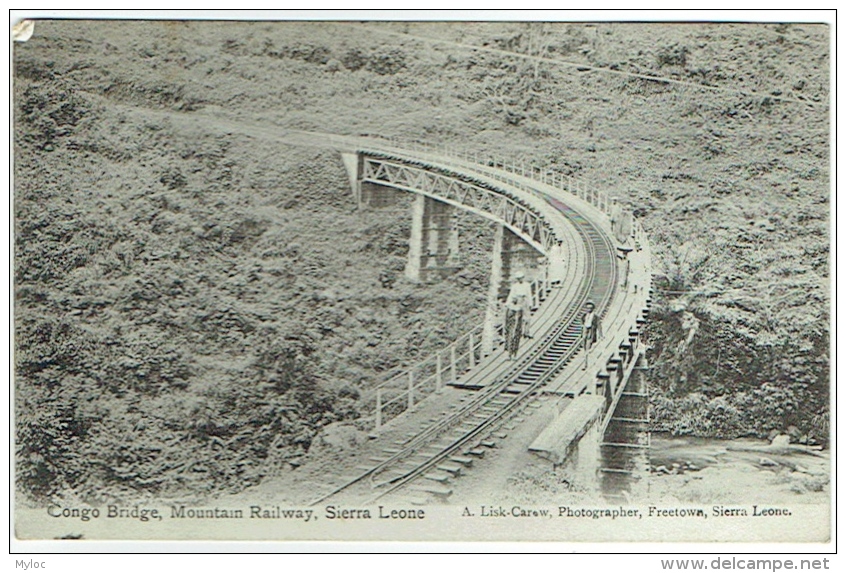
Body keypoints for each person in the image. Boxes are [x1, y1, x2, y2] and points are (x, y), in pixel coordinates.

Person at [503, 271, 531, 359]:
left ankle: (527, 331)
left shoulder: (527, 285)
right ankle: (509, 351)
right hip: (515, 309)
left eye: (521, 278)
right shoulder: (515, 286)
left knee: (524, 321)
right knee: (511, 331)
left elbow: (529, 295)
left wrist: (529, 304)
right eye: (518, 278)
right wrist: (508, 303)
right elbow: (511, 295)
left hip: (523, 303)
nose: (520, 280)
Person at [582, 300, 601, 370]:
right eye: (587, 308)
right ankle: (586, 362)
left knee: (588, 348)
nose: (589, 309)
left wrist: (601, 335)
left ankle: (586, 364)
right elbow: (583, 322)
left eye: (590, 308)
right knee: (585, 349)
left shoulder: (595, 317)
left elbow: (599, 325)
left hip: (591, 332)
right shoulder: (584, 316)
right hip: (585, 333)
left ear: (593, 309)